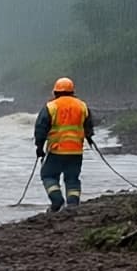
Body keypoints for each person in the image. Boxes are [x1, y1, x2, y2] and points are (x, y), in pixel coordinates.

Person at [34, 77, 94, 212]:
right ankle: (73, 204)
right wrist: (89, 137)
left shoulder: (51, 106)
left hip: (56, 150)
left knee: (48, 175)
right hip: (76, 151)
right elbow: (88, 126)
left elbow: (41, 128)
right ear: (72, 91)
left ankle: (57, 201)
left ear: (55, 92)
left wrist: (39, 147)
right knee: (72, 179)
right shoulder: (82, 106)